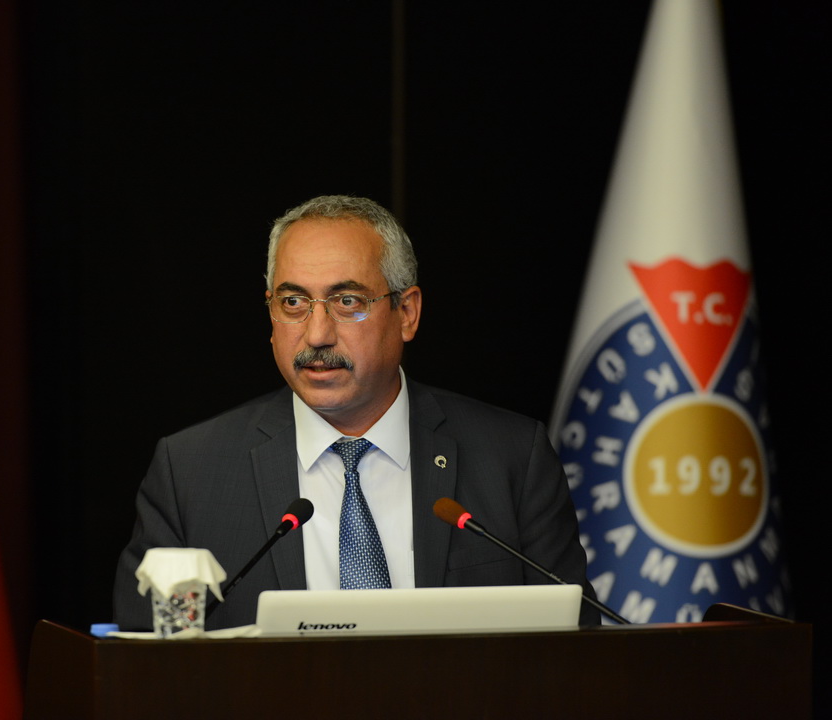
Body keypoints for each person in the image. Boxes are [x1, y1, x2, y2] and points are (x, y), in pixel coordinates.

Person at [113, 195, 599, 629]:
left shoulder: (512, 457)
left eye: (347, 302)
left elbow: (576, 652)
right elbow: (143, 664)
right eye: (293, 302)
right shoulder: (190, 472)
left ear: (406, 313)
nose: (317, 334)